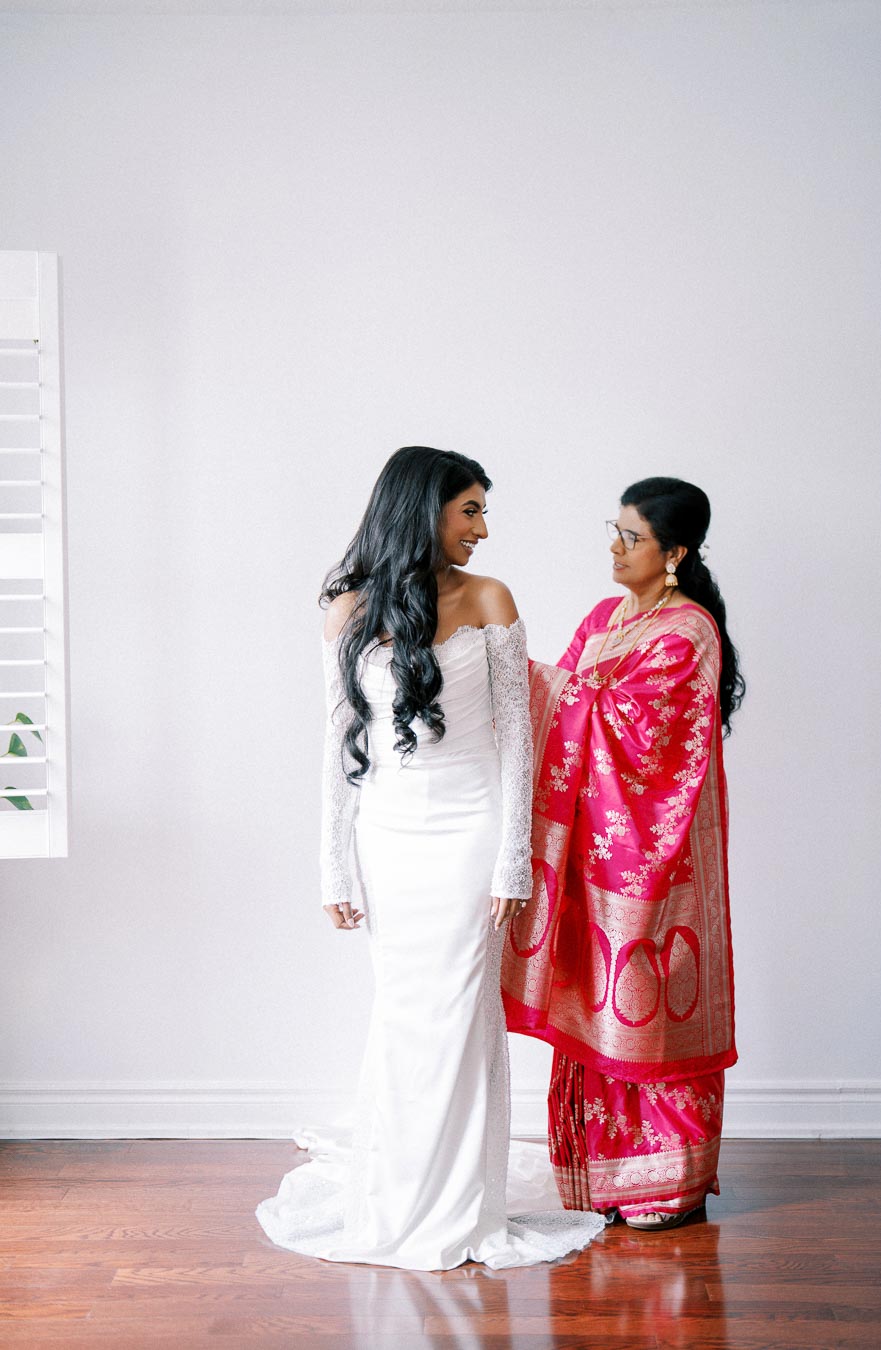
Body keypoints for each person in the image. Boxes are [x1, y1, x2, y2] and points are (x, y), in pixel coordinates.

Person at [257, 447, 605, 1269]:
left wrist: (512, 859)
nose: (483, 528)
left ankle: (462, 1204)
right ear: (424, 510)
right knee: (404, 1013)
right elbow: (341, 743)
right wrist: (332, 866)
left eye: (483, 511)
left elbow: (520, 737)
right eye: (470, 510)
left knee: (457, 1014)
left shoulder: (491, 599)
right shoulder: (346, 610)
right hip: (387, 834)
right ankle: (397, 1194)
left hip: (472, 829)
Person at [502, 476, 743, 1231]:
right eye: (615, 530)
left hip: (654, 860)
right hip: (589, 858)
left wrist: (508, 666)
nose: (615, 546)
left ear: (673, 552)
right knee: (590, 992)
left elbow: (643, 738)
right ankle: (605, 1174)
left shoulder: (689, 630)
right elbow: (567, 698)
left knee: (648, 990)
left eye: (631, 536)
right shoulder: (605, 618)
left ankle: (668, 1183)